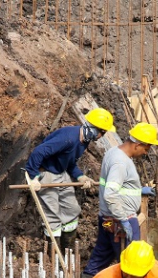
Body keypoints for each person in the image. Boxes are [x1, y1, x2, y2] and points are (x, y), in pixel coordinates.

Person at [25, 107, 116, 252]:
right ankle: (53, 258)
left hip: (60, 173)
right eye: (102, 132)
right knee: (52, 217)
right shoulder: (67, 138)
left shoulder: (83, 142)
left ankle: (67, 252)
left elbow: (70, 162)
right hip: (46, 174)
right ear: (92, 129)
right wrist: (34, 177)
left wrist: (81, 176)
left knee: (72, 211)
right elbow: (38, 152)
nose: (102, 136)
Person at [82, 122, 158, 278]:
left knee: (103, 251)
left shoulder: (113, 152)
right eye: (146, 149)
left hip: (107, 218)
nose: (146, 153)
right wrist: (124, 220)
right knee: (130, 259)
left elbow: (117, 186)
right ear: (137, 145)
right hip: (119, 219)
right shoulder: (120, 162)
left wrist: (138, 191)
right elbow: (111, 194)